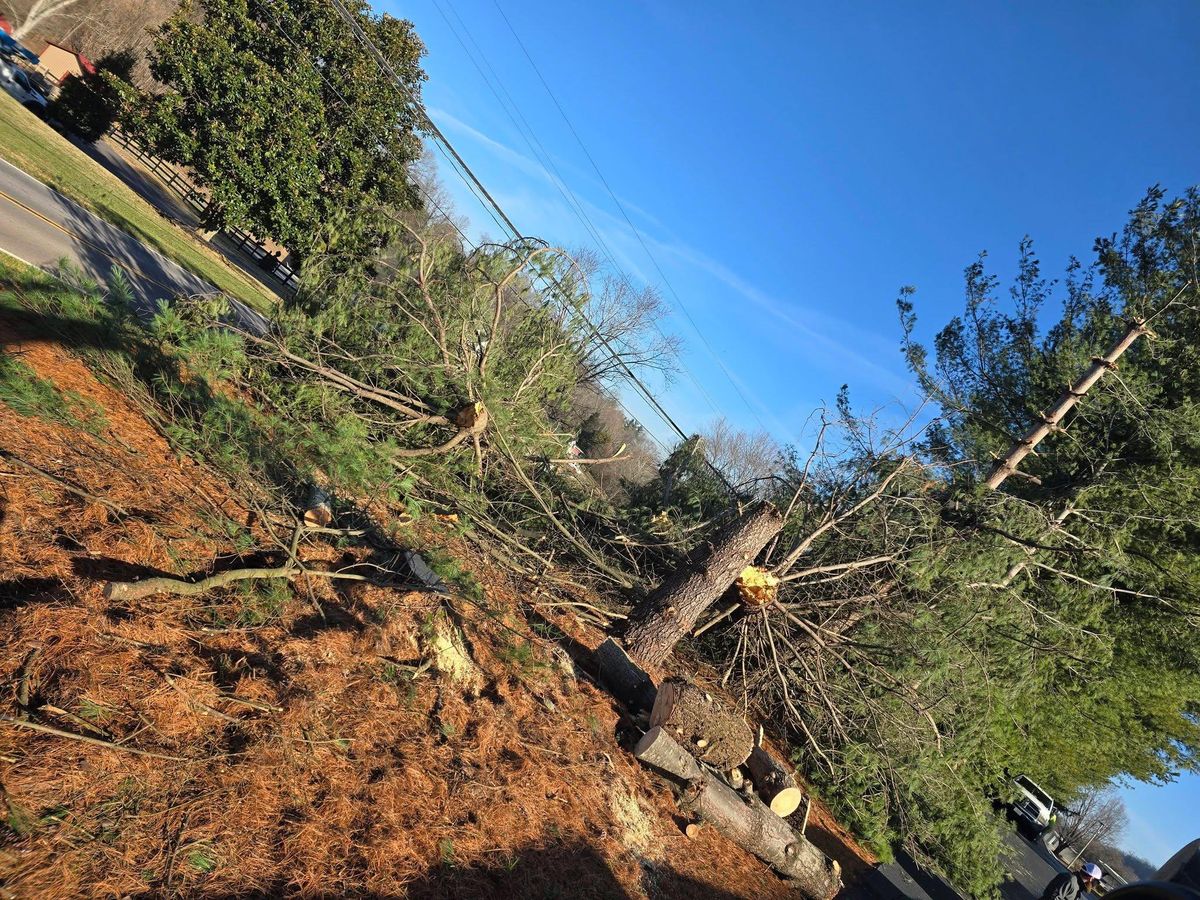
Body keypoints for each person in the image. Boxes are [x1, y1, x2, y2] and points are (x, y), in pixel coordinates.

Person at [1040, 862, 1104, 900]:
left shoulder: (1078, 885)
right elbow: (1052, 897)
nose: (1095, 885)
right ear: (1091, 878)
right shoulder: (1069, 880)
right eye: (1096, 881)